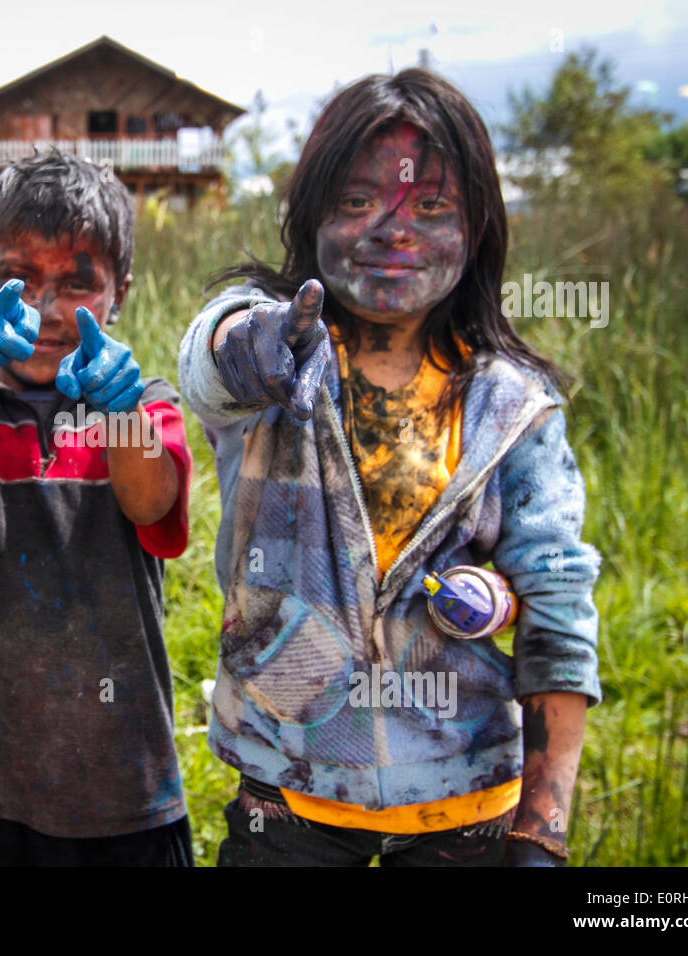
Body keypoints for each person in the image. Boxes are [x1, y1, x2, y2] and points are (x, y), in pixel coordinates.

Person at [177, 69, 602, 867]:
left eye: (431, 206)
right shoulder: (274, 359)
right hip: (288, 790)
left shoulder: (514, 408)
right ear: (311, 220)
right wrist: (260, 341)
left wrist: (541, 831)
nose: (392, 230)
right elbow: (211, 356)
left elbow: (558, 612)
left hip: (468, 805)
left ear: (476, 227)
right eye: (355, 202)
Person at [0, 151, 194, 866]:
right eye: (18, 281)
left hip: (121, 785)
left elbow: (151, 500)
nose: (48, 309)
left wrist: (119, 413)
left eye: (77, 283)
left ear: (119, 292)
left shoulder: (145, 408)